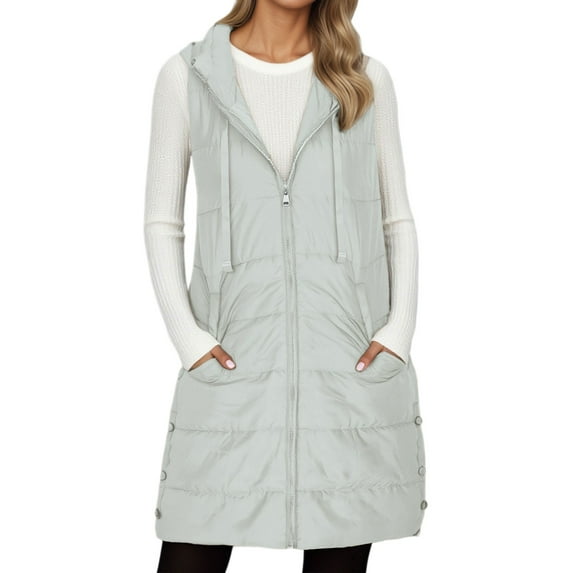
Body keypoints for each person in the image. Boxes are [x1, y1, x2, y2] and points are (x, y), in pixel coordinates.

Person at [144, 1, 427, 571]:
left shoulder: (362, 79)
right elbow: (161, 221)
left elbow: (395, 218)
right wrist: (189, 341)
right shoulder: (188, 76)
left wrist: (398, 333)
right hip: (232, 372)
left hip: (346, 376)